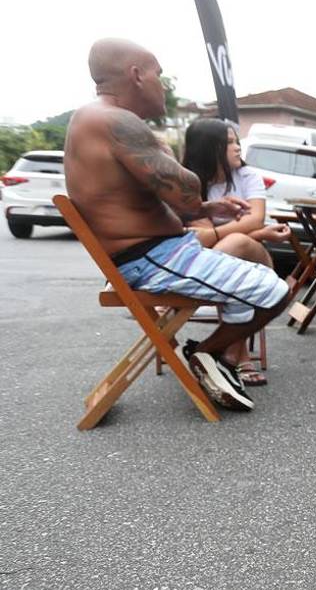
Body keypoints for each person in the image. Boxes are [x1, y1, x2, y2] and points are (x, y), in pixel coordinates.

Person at [64, 38, 288, 412]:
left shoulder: (95, 118)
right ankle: (204, 354)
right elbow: (183, 192)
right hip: (150, 258)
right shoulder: (117, 121)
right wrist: (167, 153)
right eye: (158, 75)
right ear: (136, 75)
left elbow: (156, 201)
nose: (162, 85)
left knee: (249, 288)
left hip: (156, 252)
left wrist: (206, 207)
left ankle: (220, 364)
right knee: (275, 291)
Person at [180, 117, 292, 386]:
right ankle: (234, 358)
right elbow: (206, 239)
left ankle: (219, 354)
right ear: (209, 148)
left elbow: (252, 221)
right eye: (229, 143)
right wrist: (259, 232)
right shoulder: (191, 183)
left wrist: (254, 233)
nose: (237, 148)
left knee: (235, 246)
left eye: (237, 141)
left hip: (255, 260)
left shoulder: (249, 176)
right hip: (221, 261)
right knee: (231, 253)